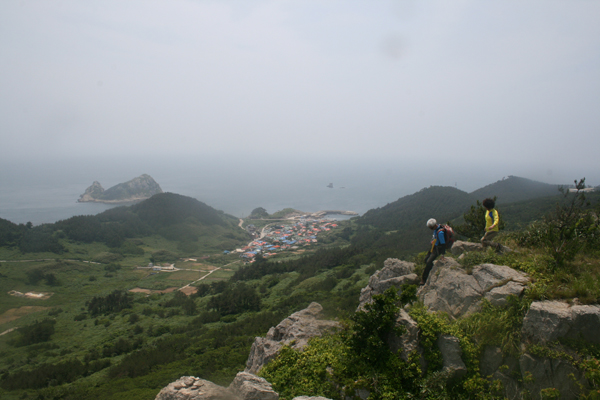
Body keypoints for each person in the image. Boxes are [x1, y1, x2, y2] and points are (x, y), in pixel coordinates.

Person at [421, 218, 446, 285]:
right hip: (434, 246)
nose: (430, 229)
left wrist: (442, 255)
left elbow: (443, 244)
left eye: (431, 227)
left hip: (438, 249)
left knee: (428, 262)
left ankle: (424, 279)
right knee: (426, 260)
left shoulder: (440, 233)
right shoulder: (436, 228)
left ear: (434, 225)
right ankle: (431, 268)